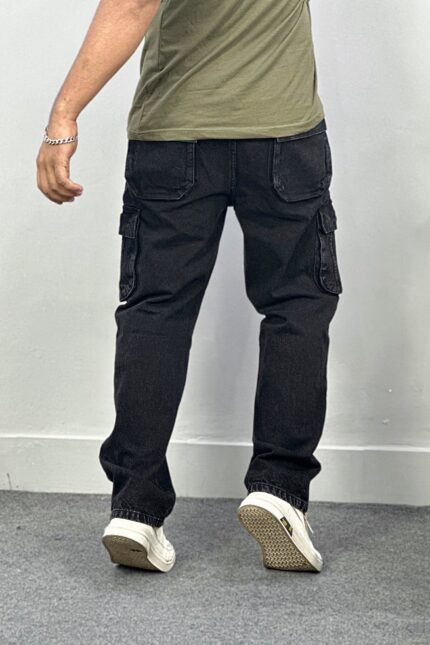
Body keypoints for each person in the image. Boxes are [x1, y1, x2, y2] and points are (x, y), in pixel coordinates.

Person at [36, 0, 342, 574]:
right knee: (297, 305)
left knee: (157, 312)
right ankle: (279, 491)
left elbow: (132, 3)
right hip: (283, 136)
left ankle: (136, 509)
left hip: (174, 138)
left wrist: (63, 116)